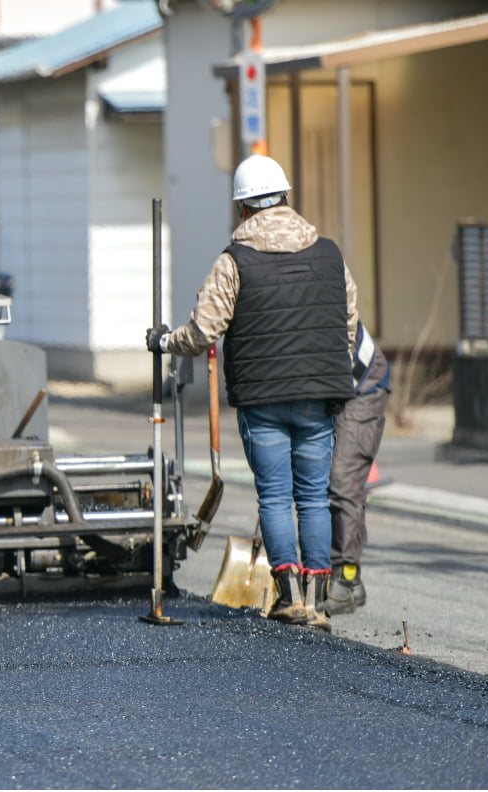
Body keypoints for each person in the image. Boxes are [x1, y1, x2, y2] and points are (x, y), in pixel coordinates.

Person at [147, 154, 357, 630]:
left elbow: (202, 332)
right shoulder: (330, 255)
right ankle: (319, 603)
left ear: (242, 208)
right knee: (313, 498)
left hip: (262, 401)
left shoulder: (233, 262)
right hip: (319, 396)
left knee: (276, 499)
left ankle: (289, 598)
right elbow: (348, 323)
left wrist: (163, 342)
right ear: (285, 198)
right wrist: (328, 369)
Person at [326, 321, 389, 614]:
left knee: (342, 479)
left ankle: (345, 576)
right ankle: (343, 575)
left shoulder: (324, 308)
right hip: (327, 386)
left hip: (362, 385)